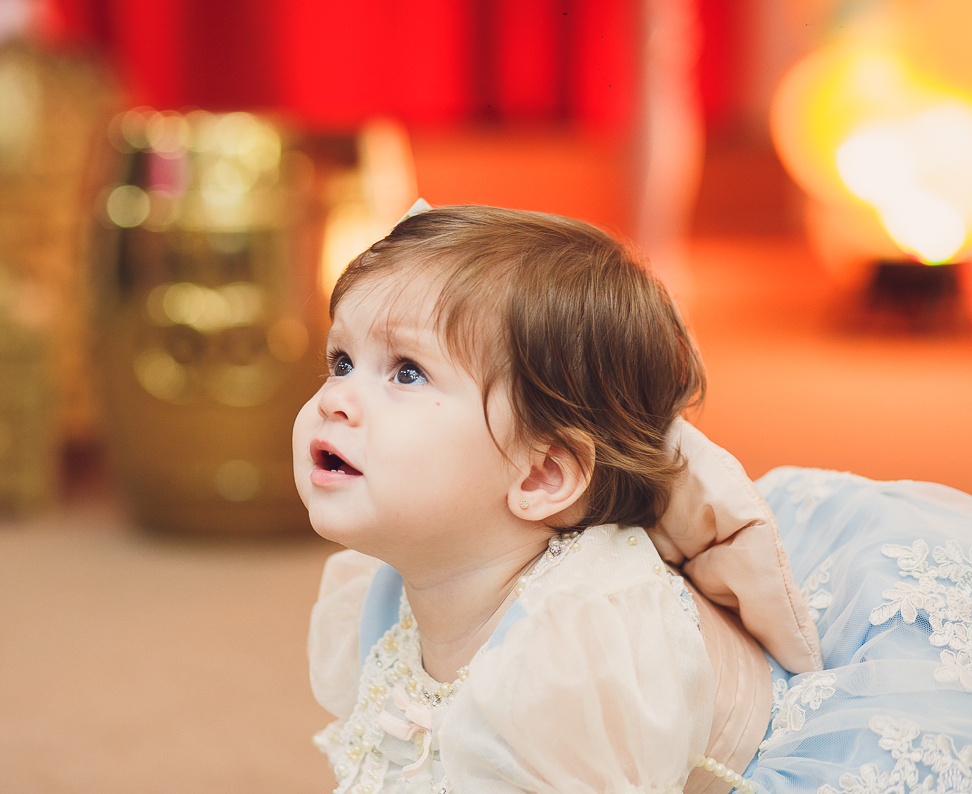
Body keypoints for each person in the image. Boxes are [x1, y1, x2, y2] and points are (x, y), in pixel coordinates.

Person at [294, 203, 972, 794]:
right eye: (342, 362)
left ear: (540, 478)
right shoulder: (381, 597)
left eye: (407, 372)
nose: (336, 401)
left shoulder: (585, 650)